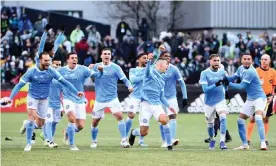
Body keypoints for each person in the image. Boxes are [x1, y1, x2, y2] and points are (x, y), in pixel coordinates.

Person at [3, 52, 83, 151]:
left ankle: (27, 124)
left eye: (49, 61)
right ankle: (28, 144)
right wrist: (10, 98)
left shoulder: (51, 71)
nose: (48, 63)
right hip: (32, 97)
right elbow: (19, 85)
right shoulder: (31, 72)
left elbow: (65, 82)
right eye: (45, 61)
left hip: (44, 99)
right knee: (32, 117)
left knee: (40, 124)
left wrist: (76, 92)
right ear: (40, 60)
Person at [129, 58, 176, 151]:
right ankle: (134, 132)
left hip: (157, 105)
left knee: (164, 120)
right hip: (145, 105)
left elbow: (162, 97)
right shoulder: (150, 73)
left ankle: (169, 144)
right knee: (144, 132)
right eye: (167, 65)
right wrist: (149, 63)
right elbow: (146, 73)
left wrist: (169, 106)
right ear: (161, 65)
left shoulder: (162, 80)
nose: (168, 67)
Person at [90, 48, 133, 148]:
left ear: (111, 56)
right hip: (99, 99)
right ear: (101, 56)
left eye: (108, 54)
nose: (107, 55)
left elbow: (124, 79)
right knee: (95, 122)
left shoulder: (116, 67)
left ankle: (123, 140)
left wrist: (129, 86)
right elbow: (87, 73)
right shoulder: (96, 66)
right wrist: (89, 67)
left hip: (112, 98)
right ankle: (94, 141)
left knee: (119, 116)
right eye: (104, 54)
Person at [59, 52, 103, 151]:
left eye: (76, 58)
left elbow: (96, 75)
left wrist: (100, 71)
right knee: (71, 118)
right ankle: (72, 144)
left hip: (79, 99)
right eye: (72, 58)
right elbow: (51, 76)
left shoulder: (82, 69)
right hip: (67, 98)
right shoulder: (61, 70)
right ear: (68, 60)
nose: (74, 59)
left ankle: (67, 132)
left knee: (80, 126)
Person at [224, 53, 267, 150]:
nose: (247, 60)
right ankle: (244, 144)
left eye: (249, 59)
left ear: (251, 61)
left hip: (259, 98)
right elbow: (233, 78)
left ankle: (263, 143)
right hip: (250, 99)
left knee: (258, 117)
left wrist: (228, 83)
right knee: (240, 120)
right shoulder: (240, 68)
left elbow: (241, 86)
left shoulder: (251, 72)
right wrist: (223, 77)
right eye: (245, 59)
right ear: (241, 60)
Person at [158, 51, 188, 147]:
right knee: (162, 119)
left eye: (169, 56)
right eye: (166, 56)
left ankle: (171, 139)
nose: (168, 58)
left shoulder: (174, 69)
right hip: (159, 98)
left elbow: (182, 83)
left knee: (172, 116)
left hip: (171, 97)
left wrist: (185, 97)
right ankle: (164, 141)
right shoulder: (156, 68)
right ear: (161, 57)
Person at [199, 54, 228, 150]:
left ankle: (222, 141)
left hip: (220, 100)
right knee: (210, 124)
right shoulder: (204, 73)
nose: (216, 62)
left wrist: (226, 92)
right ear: (210, 61)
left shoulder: (223, 72)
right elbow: (205, 89)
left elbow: (226, 83)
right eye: (214, 60)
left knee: (223, 117)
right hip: (209, 102)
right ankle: (212, 139)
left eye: (218, 61)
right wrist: (216, 84)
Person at [246, 54, 276, 146]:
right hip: (257, 97)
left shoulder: (273, 72)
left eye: (265, 59)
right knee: (252, 119)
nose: (263, 61)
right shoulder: (255, 71)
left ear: (269, 61)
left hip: (268, 98)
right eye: (262, 59)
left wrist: (272, 96)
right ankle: (247, 139)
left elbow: (274, 85)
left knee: (266, 119)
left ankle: (264, 139)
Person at [125, 52, 148, 147]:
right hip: (135, 96)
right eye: (144, 58)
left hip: (146, 98)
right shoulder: (133, 70)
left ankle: (141, 140)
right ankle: (124, 138)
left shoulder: (148, 70)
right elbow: (133, 80)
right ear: (138, 59)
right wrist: (145, 77)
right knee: (131, 115)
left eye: (147, 58)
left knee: (143, 120)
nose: (146, 59)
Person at [40, 58, 63, 148]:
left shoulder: (61, 77)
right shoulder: (46, 74)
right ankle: (50, 141)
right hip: (47, 102)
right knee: (48, 121)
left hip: (57, 103)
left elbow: (63, 91)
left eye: (59, 65)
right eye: (56, 65)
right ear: (51, 65)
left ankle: (27, 124)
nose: (58, 66)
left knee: (54, 122)